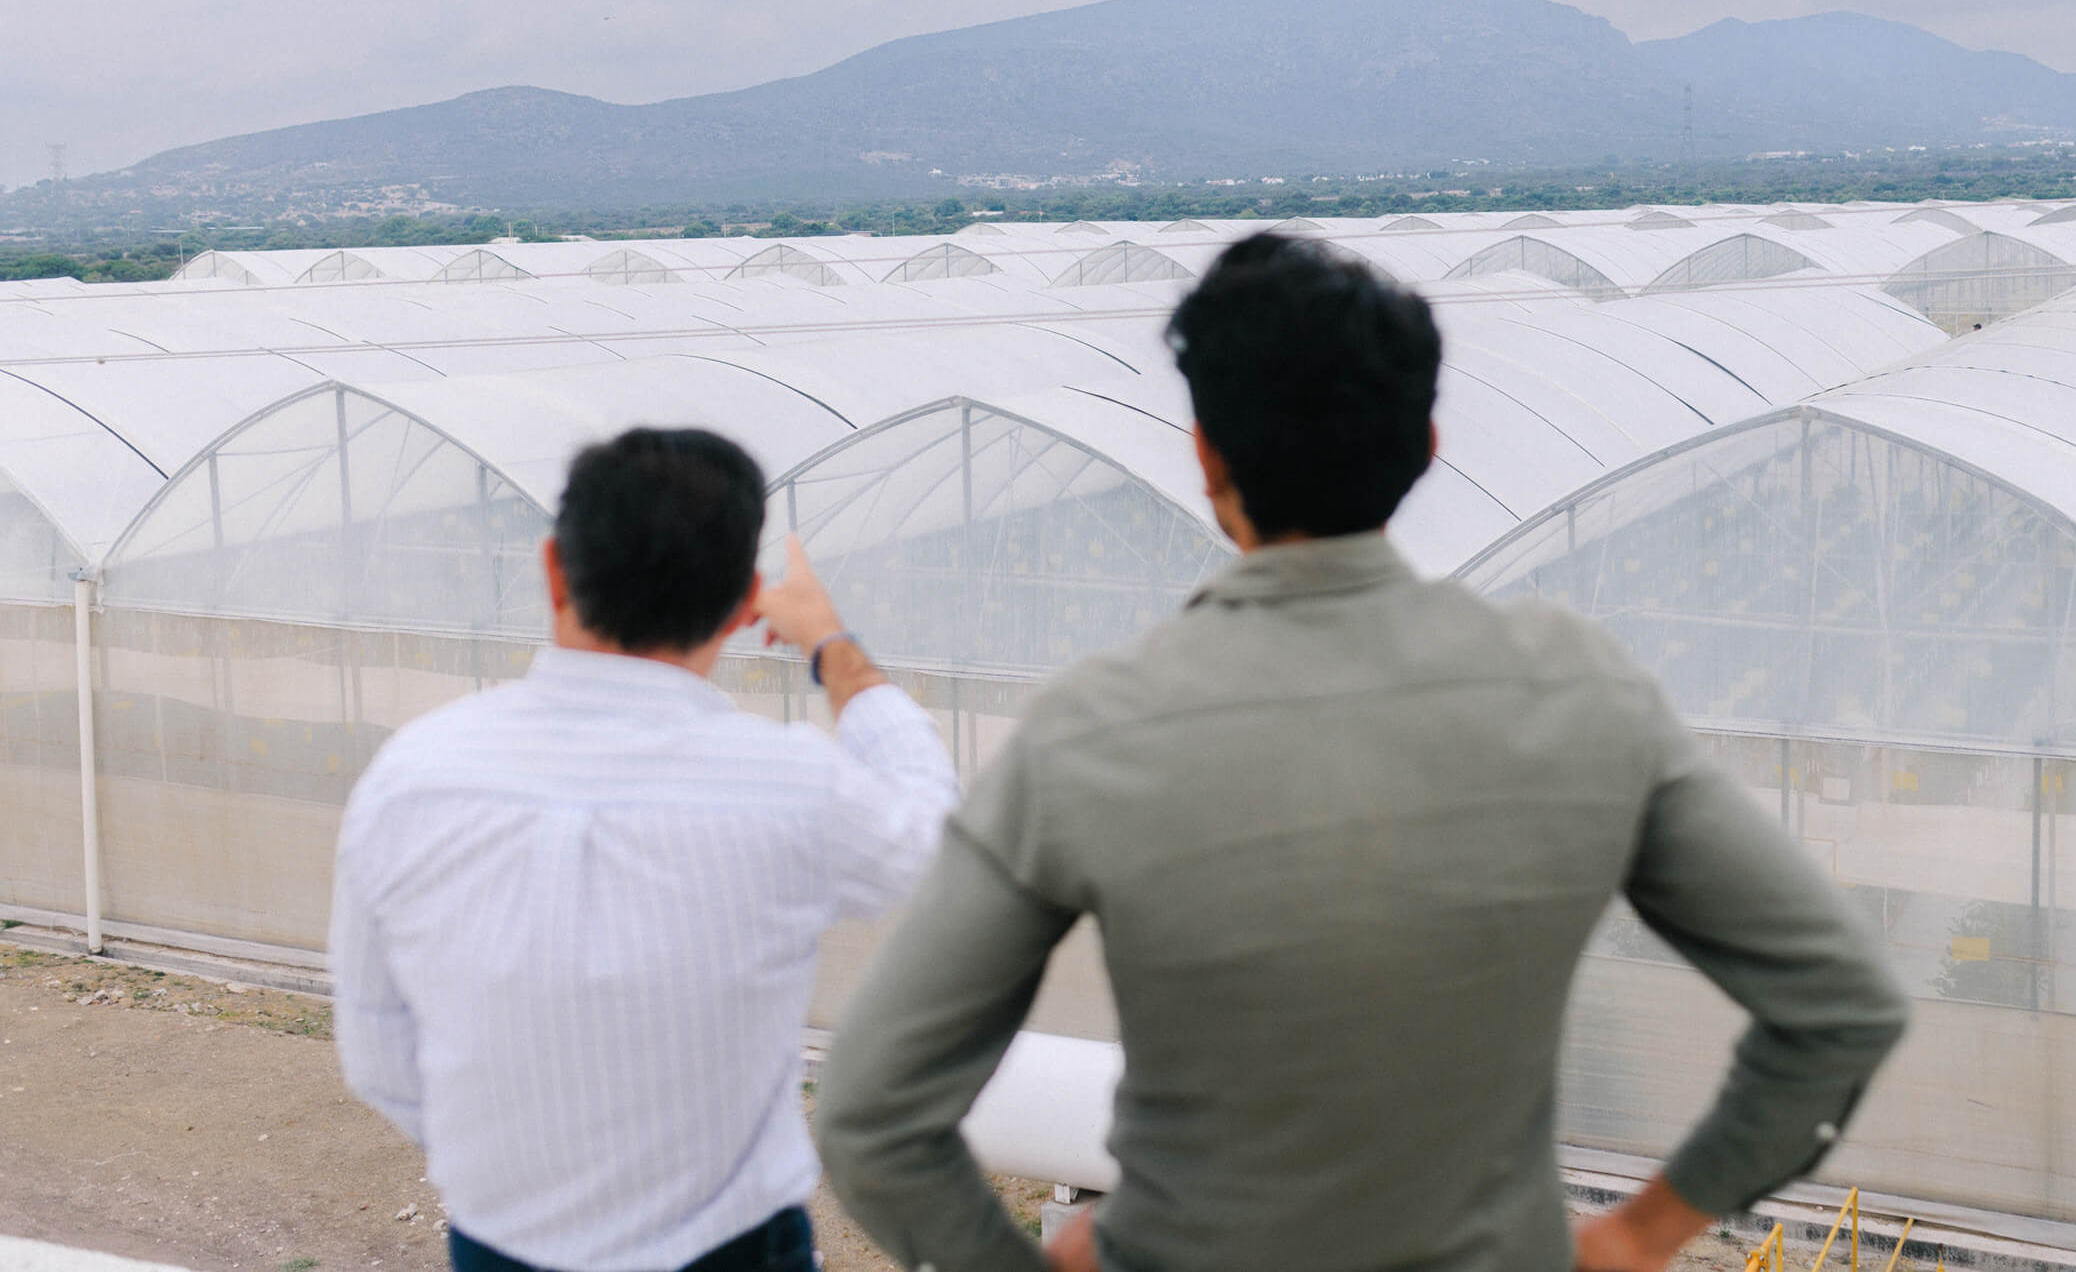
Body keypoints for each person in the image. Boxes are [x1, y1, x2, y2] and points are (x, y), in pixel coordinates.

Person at [814, 233, 1912, 1272]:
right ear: (1424, 447)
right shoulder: (1576, 691)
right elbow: (1842, 1001)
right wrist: (1646, 1228)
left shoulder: (1094, 730)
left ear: (1206, 454)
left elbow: (869, 1109)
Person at [331, 427, 958, 1272]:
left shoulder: (409, 777)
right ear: (744, 604)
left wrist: (525, 1176)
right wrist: (832, 647)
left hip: (500, 1247)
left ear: (554, 569)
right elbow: (931, 833)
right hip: (731, 1252)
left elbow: (378, 1049)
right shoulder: (788, 788)